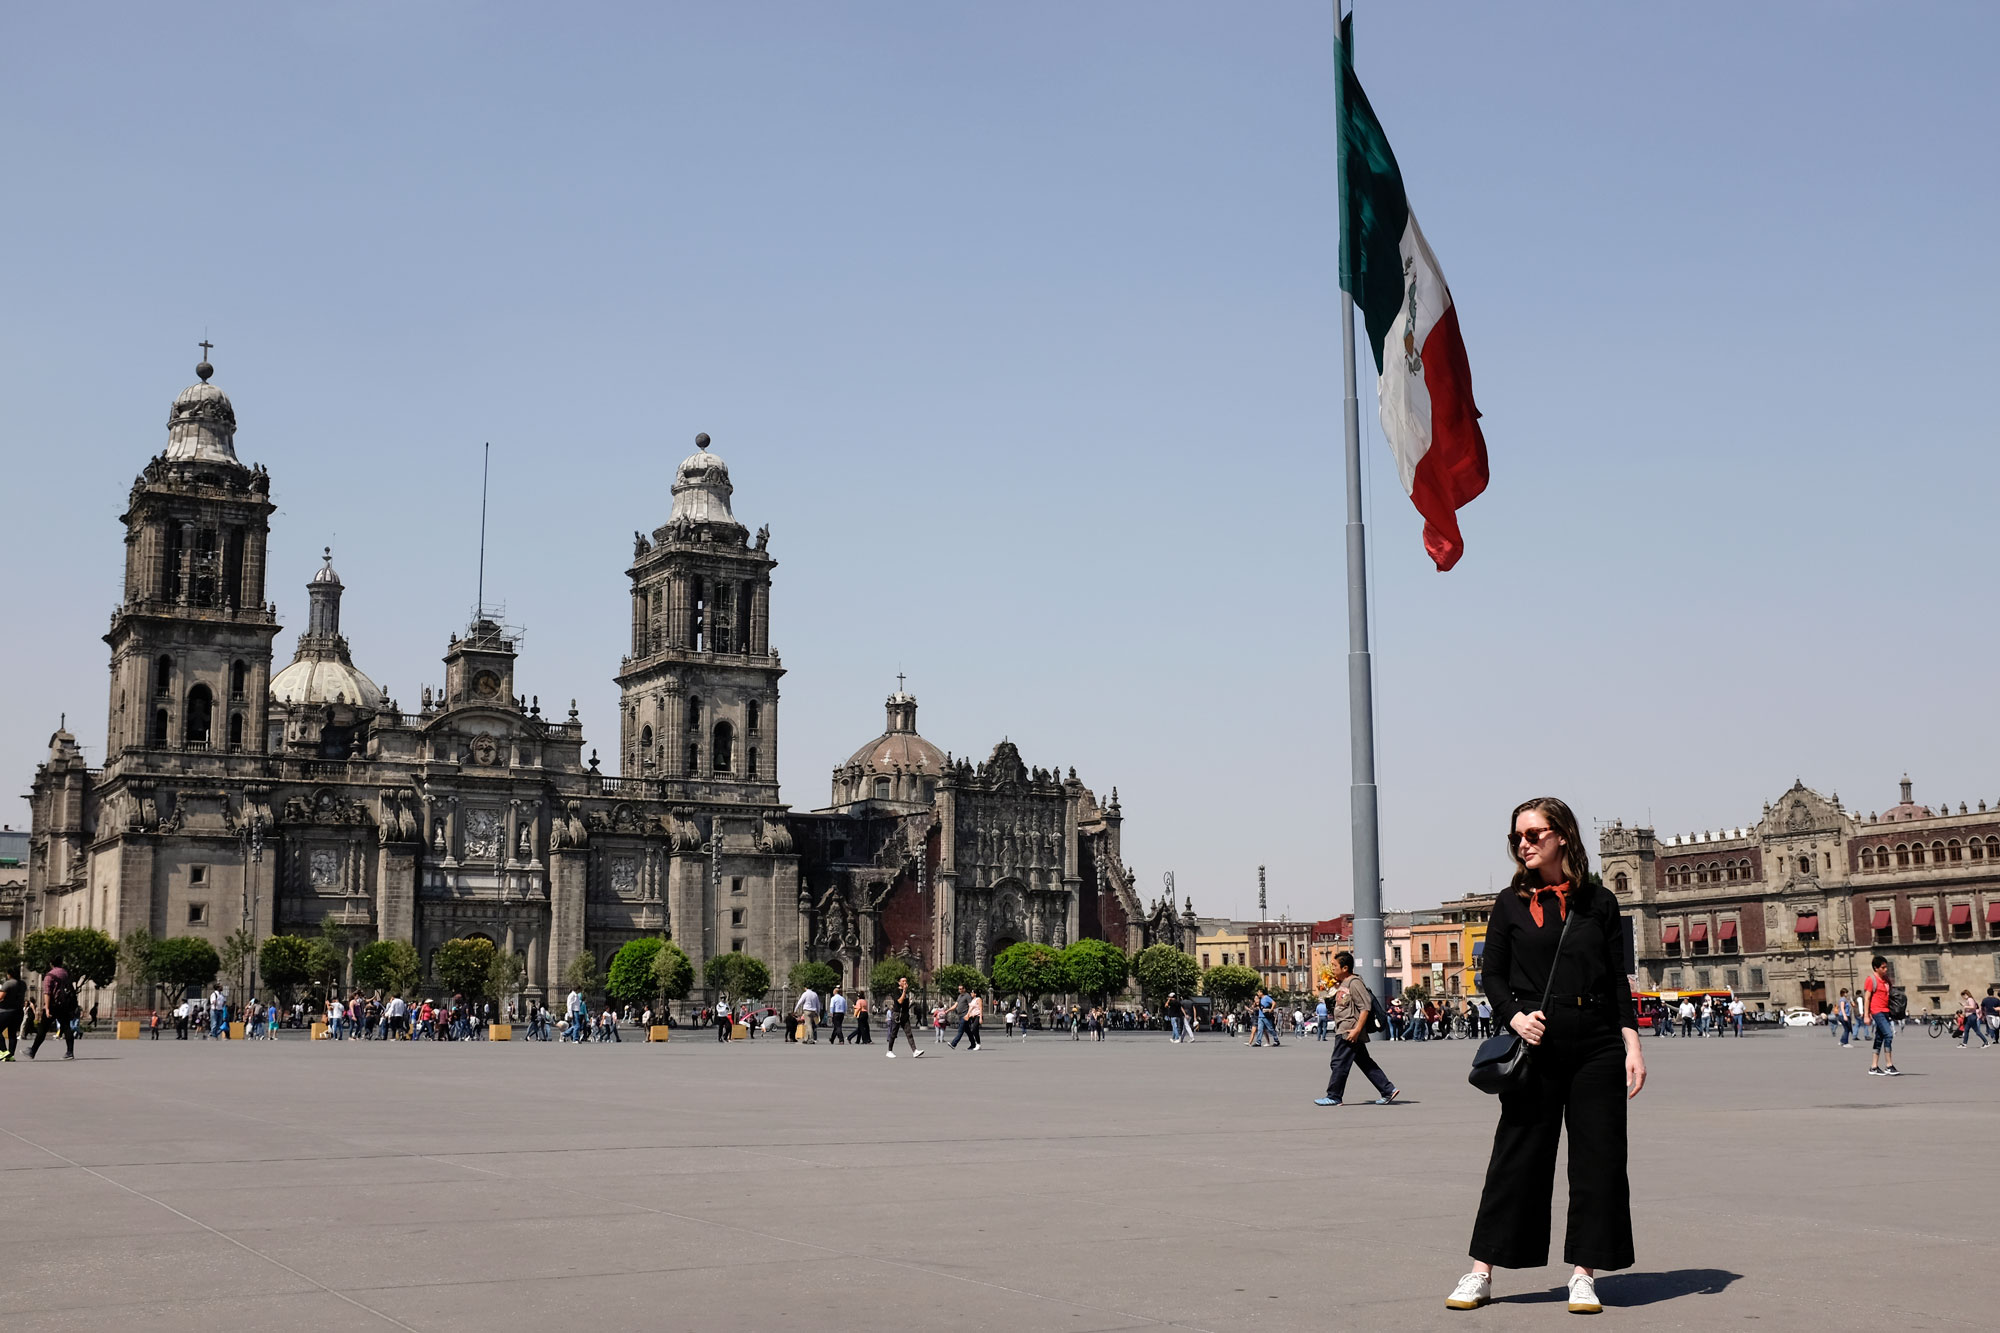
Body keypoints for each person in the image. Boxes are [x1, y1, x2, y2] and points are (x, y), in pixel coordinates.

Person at [1448, 797, 1645, 1316]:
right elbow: (1490, 975)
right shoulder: (1509, 903)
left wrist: (1632, 1044)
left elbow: (1616, 980)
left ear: (1562, 835)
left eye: (1534, 833)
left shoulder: (1598, 902)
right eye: (1518, 836)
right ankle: (1481, 1271)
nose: (1524, 843)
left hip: (1597, 1043)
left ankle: (1584, 1274)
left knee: (1598, 1160)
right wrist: (1514, 1016)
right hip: (1535, 1041)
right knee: (1517, 1156)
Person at [1314, 951, 1397, 1108]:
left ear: (1345, 967)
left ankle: (1334, 1096)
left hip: (1349, 1030)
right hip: (1347, 1028)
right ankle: (1388, 1089)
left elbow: (1365, 1007)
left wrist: (1357, 1030)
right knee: (1365, 1062)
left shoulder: (1354, 983)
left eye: (1335, 966)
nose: (1332, 969)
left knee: (1338, 1062)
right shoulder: (1343, 984)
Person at [31, 953, 83, 1060]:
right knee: (67, 1027)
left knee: (43, 1029)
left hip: (53, 1005)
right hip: (64, 1005)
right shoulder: (65, 973)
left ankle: (33, 1051)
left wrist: (47, 1008)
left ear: (51, 964)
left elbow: (47, 993)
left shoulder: (49, 976)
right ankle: (70, 1052)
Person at [1863, 956, 1897, 1075]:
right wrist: (1866, 1015)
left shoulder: (1887, 979)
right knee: (1888, 1034)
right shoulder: (1871, 980)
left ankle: (1873, 1067)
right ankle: (1889, 1065)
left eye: (1886, 966)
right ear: (1876, 968)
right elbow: (1867, 998)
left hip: (1886, 1010)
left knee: (1879, 1037)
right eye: (1883, 967)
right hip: (1876, 1011)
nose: (1886, 969)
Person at [885, 976, 922, 1057]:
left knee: (909, 1033)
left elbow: (906, 1003)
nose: (905, 982)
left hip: (905, 1015)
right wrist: (904, 991)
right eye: (903, 981)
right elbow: (899, 1001)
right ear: (899, 983)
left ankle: (915, 1051)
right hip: (897, 1015)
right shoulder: (896, 991)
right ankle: (889, 1051)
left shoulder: (907, 992)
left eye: (906, 981)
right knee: (894, 1033)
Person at [0, 963, 24, 1061]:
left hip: (6, 1011)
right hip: (18, 1011)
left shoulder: (8, 983)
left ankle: (4, 1051)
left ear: (10, 974)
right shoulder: (22, 984)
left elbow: (1, 997)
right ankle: (11, 1055)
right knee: (12, 1033)